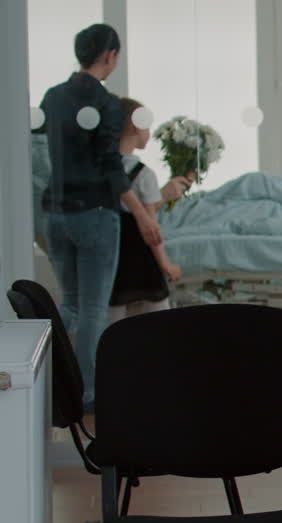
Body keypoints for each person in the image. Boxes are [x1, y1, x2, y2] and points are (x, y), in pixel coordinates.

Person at [35, 23, 161, 410]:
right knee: (92, 309)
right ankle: (87, 394)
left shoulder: (53, 97)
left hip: (56, 215)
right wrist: (141, 214)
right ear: (110, 56)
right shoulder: (105, 103)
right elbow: (110, 164)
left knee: (70, 305)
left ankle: (44, 382)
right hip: (95, 215)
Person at [108, 96, 191, 323]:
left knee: (112, 318)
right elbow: (150, 226)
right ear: (136, 125)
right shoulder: (144, 174)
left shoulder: (103, 170)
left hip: (112, 255)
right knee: (159, 317)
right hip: (142, 257)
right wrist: (165, 264)